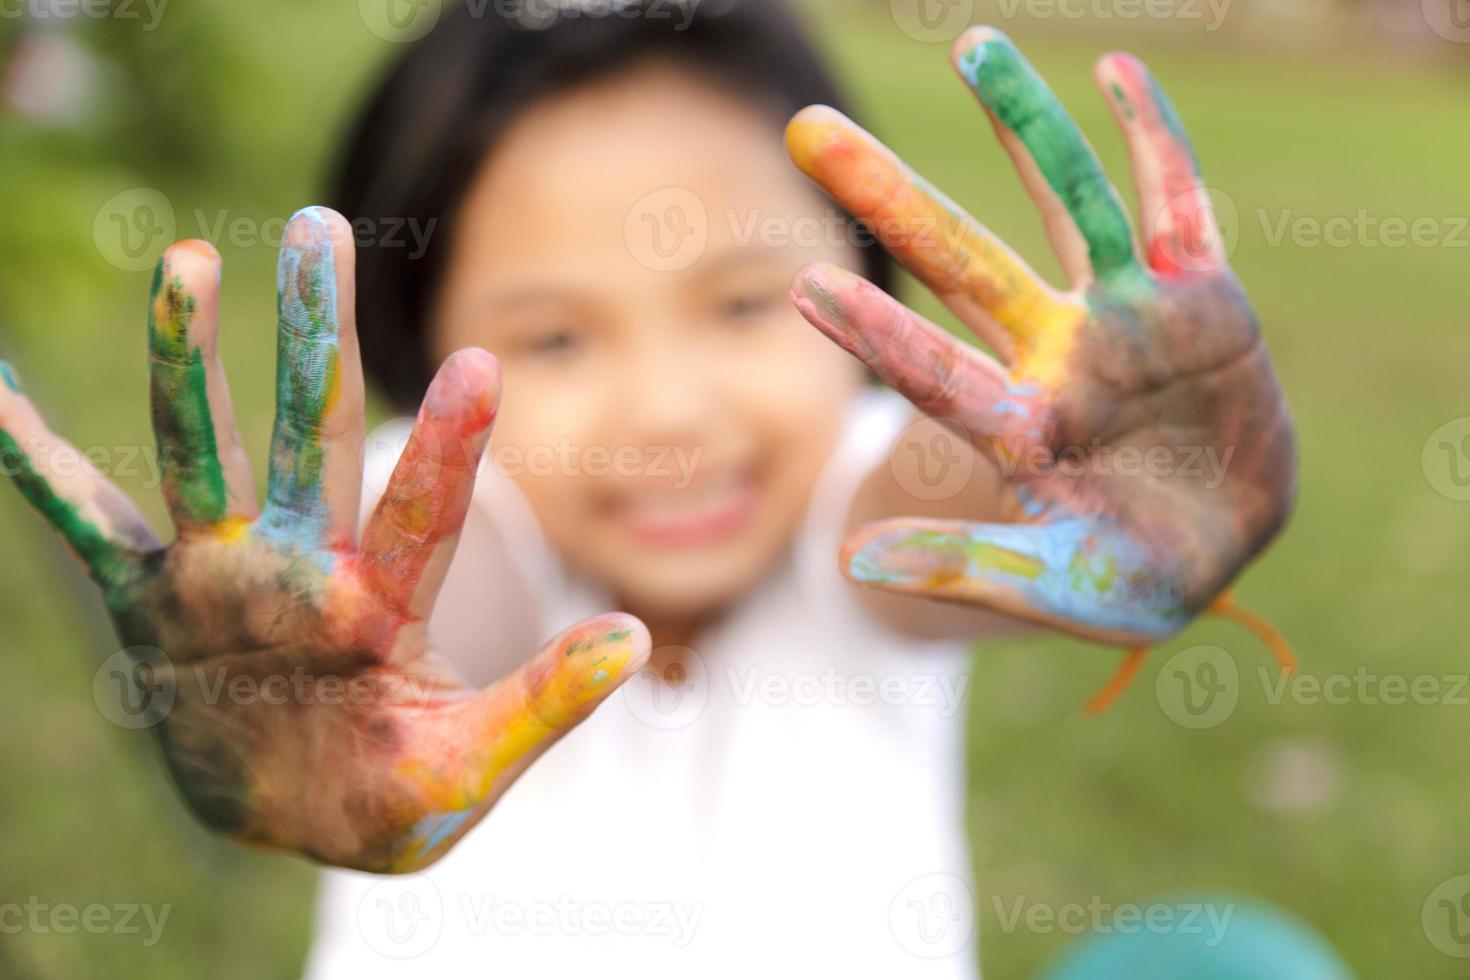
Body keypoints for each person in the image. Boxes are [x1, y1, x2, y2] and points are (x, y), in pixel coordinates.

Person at [0, 1, 1297, 977]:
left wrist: (1107, 469)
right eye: (556, 339)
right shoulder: (434, 517)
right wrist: (312, 674)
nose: (669, 413)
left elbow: (949, 499)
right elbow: (436, 614)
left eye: (741, 304)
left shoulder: (854, 490)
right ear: (423, 336)